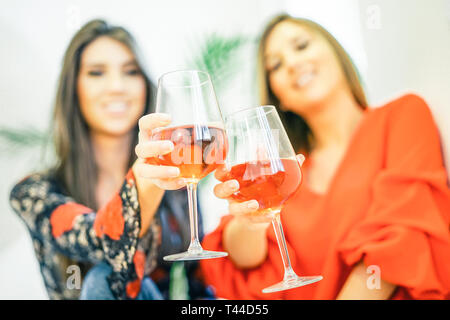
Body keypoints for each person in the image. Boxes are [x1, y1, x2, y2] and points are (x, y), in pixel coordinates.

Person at [198, 14, 450, 299]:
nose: (292, 63)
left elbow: (401, 236)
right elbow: (244, 262)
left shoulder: (402, 116)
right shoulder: (284, 173)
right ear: (278, 96)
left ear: (336, 53)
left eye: (302, 45)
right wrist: (248, 222)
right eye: (276, 65)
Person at [9, 19, 213, 300]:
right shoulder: (33, 193)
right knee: (106, 276)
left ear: (144, 85)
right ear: (73, 88)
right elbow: (105, 240)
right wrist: (146, 180)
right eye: (96, 73)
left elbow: (199, 289)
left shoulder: (178, 186)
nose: (117, 86)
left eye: (130, 72)